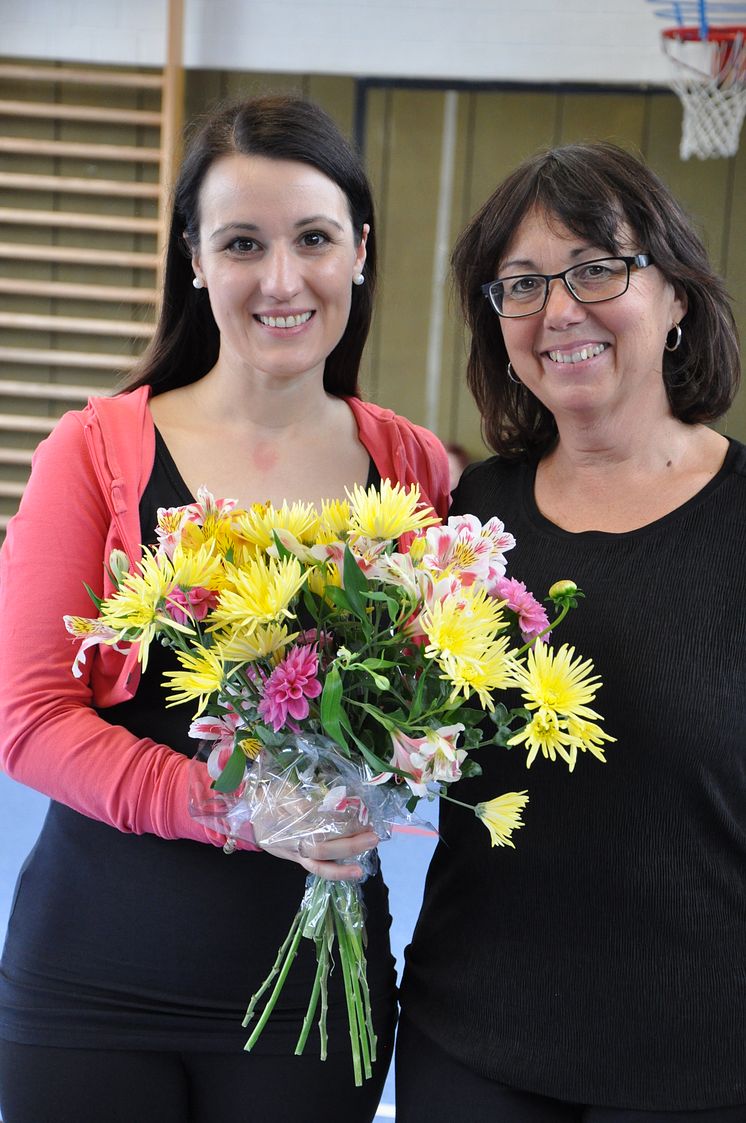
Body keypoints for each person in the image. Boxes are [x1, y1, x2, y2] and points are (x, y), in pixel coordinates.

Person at [0, 94, 450, 1123]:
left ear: (360, 253)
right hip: (91, 981)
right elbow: (28, 720)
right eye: (242, 242)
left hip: (311, 999)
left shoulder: (413, 468)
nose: (281, 279)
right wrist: (240, 809)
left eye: (314, 239)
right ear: (194, 260)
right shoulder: (96, 453)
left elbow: (435, 695)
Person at [396, 142, 745, 1121]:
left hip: (700, 1066)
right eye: (519, 284)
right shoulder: (466, 516)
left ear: (675, 295)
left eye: (595, 267)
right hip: (469, 1044)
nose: (557, 310)